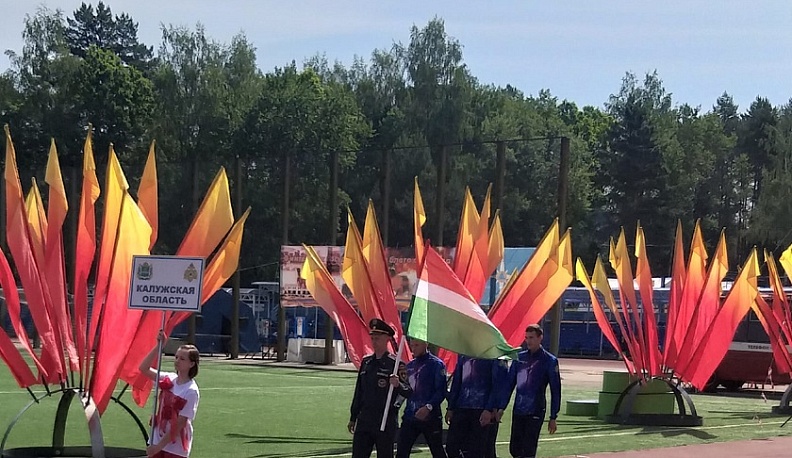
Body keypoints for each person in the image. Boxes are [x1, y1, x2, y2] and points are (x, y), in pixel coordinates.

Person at [349, 319, 413, 458]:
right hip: (365, 419)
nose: (374, 341)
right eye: (372, 338)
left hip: (385, 419)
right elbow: (359, 391)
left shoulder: (396, 364)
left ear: (387, 339)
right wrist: (353, 416)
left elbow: (408, 391)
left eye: (377, 338)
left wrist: (398, 384)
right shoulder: (366, 362)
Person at [500, 324, 561, 458]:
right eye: (526, 337)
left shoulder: (549, 361)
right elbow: (509, 385)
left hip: (536, 410)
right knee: (515, 449)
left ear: (540, 338)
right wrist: (501, 407)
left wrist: (553, 416)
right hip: (519, 410)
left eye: (532, 337)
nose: (528, 341)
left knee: (528, 449)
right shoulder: (519, 358)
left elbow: (555, 390)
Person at [139, 330, 200, 458]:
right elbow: (143, 368)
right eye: (176, 357)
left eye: (182, 359)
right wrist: (159, 346)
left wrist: (158, 447)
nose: (177, 361)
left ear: (192, 364)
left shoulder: (191, 391)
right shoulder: (169, 378)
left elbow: (180, 424)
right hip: (157, 438)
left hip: (176, 447)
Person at [445, 355, 509, 458]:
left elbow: (499, 385)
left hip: (482, 409)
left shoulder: (495, 355)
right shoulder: (464, 355)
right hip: (461, 407)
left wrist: (489, 409)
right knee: (452, 446)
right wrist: (451, 407)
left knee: (478, 451)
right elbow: (457, 382)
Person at [395, 338, 447, 458]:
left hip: (431, 418)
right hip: (410, 416)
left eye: (417, 345)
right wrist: (398, 386)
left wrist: (428, 407)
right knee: (401, 452)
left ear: (426, 344)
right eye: (412, 345)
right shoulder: (410, 366)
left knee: (437, 451)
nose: (413, 349)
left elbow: (441, 391)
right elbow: (407, 391)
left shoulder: (436, 365)